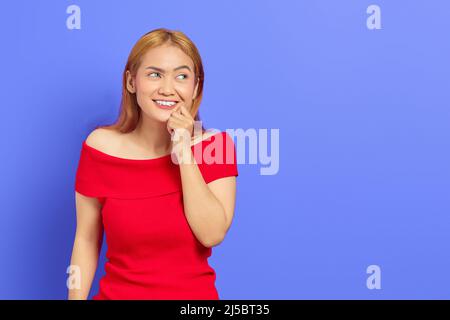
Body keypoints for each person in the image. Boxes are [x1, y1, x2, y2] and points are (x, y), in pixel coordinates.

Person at [68, 28, 238, 300]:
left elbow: (212, 234)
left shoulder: (215, 147)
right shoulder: (99, 146)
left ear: (195, 87)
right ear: (131, 82)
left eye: (181, 76)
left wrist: (184, 150)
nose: (167, 89)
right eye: (154, 74)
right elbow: (86, 240)